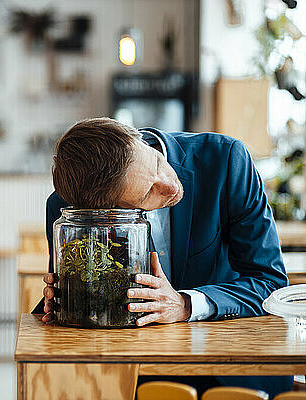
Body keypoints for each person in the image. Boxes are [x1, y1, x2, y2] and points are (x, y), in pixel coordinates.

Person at [34, 118, 291, 396]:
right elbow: (81, 306)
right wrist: (61, 300)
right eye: (146, 193)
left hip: (230, 370)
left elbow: (270, 283)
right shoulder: (69, 210)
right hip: (132, 374)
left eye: (156, 163)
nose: (170, 185)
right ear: (107, 213)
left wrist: (185, 304)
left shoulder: (227, 160)